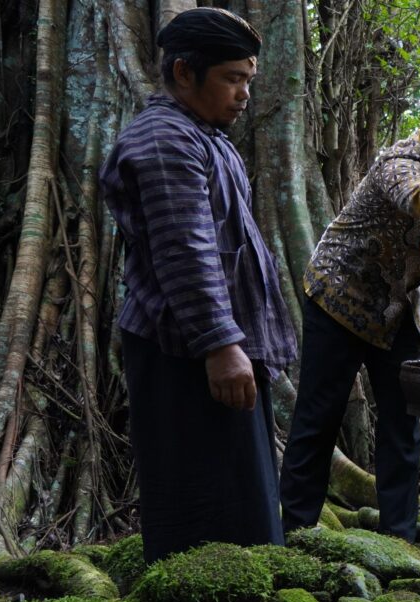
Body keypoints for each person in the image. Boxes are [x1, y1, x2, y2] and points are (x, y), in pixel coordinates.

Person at [100, 8, 296, 562]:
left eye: (248, 81)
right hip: (185, 351)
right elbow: (184, 249)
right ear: (185, 73)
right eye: (232, 79)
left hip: (218, 348)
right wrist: (220, 344)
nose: (243, 94)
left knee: (244, 495)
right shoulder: (165, 140)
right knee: (205, 501)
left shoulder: (202, 135)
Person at [280, 72, 420, 542]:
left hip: (398, 309)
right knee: (319, 416)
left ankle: (401, 540)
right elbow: (415, 195)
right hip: (340, 297)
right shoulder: (399, 159)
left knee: (402, 423)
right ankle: (293, 534)